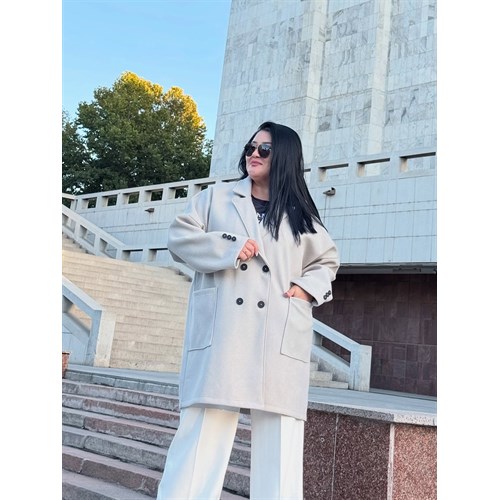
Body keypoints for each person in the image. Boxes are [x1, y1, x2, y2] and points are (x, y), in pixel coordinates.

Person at [157, 121, 340, 499]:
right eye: (250, 147)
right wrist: (227, 247)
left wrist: (305, 290)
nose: (253, 154)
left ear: (283, 156)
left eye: (264, 149)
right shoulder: (216, 198)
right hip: (223, 333)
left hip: (278, 332)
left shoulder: (300, 214)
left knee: (280, 451)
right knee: (199, 443)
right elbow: (179, 238)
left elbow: (327, 261)